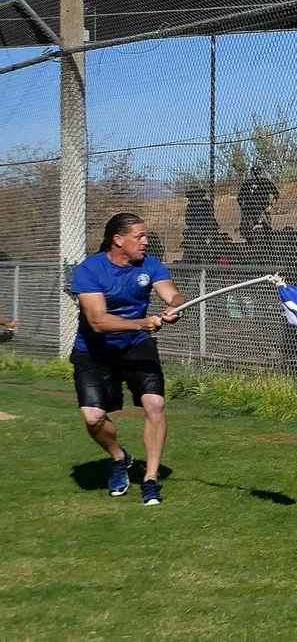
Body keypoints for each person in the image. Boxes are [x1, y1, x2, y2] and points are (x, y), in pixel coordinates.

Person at [69, 213, 184, 506]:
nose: (146, 242)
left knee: (155, 403)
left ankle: (150, 479)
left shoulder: (150, 265)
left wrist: (174, 307)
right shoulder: (89, 270)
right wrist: (142, 323)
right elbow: (97, 321)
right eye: (139, 236)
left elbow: (174, 295)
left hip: (137, 346)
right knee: (93, 418)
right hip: (94, 351)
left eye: (146, 236)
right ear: (118, 240)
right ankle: (120, 458)